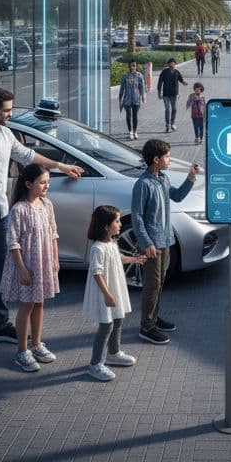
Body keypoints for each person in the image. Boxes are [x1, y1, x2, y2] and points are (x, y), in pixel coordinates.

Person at [0, 87, 84, 364]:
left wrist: (60, 166)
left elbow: (28, 156)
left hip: (1, 216)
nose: (11, 113)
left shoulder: (5, 135)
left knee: (3, 273)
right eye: (7, 110)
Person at [131, 138, 200, 344]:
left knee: (160, 283)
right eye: (167, 157)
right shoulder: (142, 185)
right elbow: (137, 217)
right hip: (152, 244)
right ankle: (147, 326)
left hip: (165, 241)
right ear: (156, 159)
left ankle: (154, 318)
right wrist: (146, 243)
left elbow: (178, 197)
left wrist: (191, 178)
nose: (169, 160)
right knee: (152, 285)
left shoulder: (163, 179)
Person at [0, 164, 60, 373]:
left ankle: (36, 343)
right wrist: (21, 268)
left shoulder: (46, 205)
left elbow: (53, 232)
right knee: (27, 305)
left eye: (47, 182)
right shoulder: (19, 209)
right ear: (28, 184)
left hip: (42, 262)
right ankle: (22, 350)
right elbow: (13, 241)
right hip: (27, 263)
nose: (46, 186)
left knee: (39, 303)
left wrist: (54, 257)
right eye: (42, 182)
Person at [82, 204, 145, 381]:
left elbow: (117, 258)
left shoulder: (111, 243)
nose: (120, 224)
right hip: (106, 292)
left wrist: (135, 259)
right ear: (106, 226)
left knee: (118, 319)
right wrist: (107, 294)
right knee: (106, 326)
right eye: (117, 221)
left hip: (115, 287)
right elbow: (97, 272)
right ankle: (95, 364)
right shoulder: (97, 248)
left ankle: (114, 353)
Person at [156, 58, 187, 133]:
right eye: (170, 64)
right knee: (167, 109)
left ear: (175, 64)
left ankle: (172, 123)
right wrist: (159, 92)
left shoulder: (177, 72)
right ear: (168, 65)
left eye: (173, 64)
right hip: (166, 94)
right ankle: (167, 125)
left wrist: (184, 82)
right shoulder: (164, 72)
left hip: (174, 94)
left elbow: (181, 79)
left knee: (174, 109)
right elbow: (160, 82)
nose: (172, 65)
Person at [118, 60, 146, 140]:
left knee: (135, 116)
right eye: (131, 65)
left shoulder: (139, 75)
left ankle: (135, 131)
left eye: (134, 65)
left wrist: (143, 96)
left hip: (136, 99)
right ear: (129, 66)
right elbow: (122, 88)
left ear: (136, 66)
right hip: (127, 99)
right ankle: (130, 132)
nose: (132, 67)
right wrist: (120, 98)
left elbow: (142, 87)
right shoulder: (125, 76)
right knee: (128, 115)